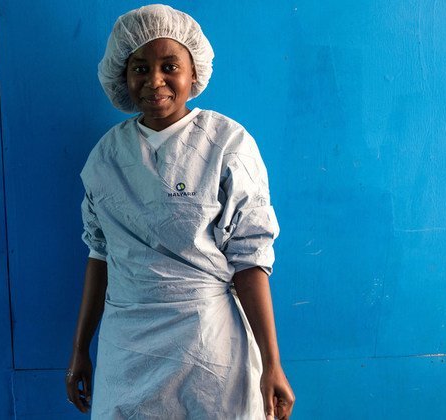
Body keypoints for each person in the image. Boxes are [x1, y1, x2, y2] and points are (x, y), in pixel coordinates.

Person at [65, 4, 294, 419]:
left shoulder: (227, 144)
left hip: (209, 344)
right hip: (128, 345)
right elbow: (100, 254)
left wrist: (272, 362)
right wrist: (81, 348)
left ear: (193, 73)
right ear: (123, 75)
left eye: (170, 65)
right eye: (140, 68)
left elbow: (250, 259)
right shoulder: (106, 157)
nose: (155, 81)